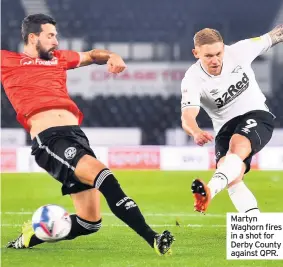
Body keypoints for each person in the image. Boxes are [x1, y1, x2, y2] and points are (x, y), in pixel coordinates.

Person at [1, 14, 174, 255]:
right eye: (50, 36)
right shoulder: (7, 61)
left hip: (75, 135)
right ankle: (153, 238)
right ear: (33, 37)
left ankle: (34, 234)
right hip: (50, 140)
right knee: (104, 176)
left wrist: (113, 56)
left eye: (56, 36)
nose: (56, 42)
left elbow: (93, 56)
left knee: (89, 222)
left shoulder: (59, 59)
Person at [181, 25, 283, 213]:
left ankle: (209, 191)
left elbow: (275, 35)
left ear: (224, 48)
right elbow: (187, 115)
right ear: (196, 53)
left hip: (256, 114)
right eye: (208, 56)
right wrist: (195, 131)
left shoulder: (240, 50)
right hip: (224, 128)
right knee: (231, 175)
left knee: (237, 146)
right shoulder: (192, 78)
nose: (215, 60)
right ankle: (254, 226)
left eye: (218, 53)